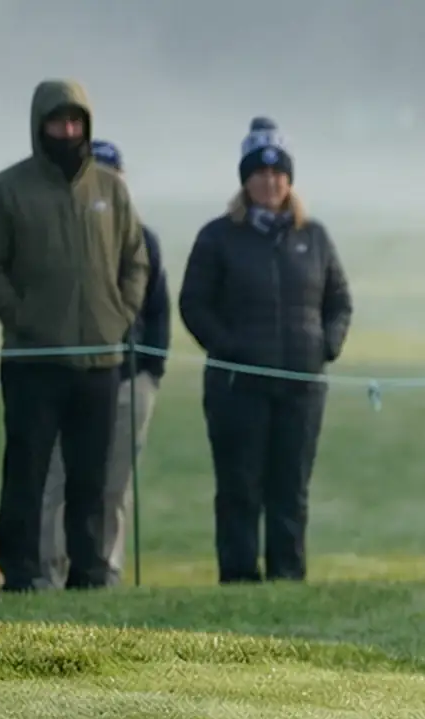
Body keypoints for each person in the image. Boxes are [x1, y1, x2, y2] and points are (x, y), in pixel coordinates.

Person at [0, 80, 147, 593]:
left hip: (99, 359)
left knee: (92, 476)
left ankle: (88, 569)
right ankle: (21, 571)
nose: (67, 132)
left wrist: (120, 314)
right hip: (33, 360)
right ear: (38, 125)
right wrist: (19, 315)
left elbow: (137, 258)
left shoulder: (111, 190)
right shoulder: (8, 190)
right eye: (57, 122)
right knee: (27, 470)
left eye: (75, 123)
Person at [178, 118, 351, 584]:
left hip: (301, 387)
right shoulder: (218, 236)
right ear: (245, 179)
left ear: (289, 179)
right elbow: (194, 304)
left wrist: (325, 346)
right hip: (238, 388)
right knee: (240, 488)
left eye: (277, 173)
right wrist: (229, 347)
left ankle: (287, 578)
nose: (268, 182)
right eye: (258, 173)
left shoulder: (312, 237)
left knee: (290, 490)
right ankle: (237, 577)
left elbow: (339, 301)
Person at [41, 138, 164, 587]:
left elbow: (159, 311)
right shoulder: (59, 235)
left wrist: (151, 373)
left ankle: (104, 568)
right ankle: (49, 567)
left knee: (114, 484)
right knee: (57, 477)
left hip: (129, 379)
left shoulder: (144, 239)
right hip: (68, 376)